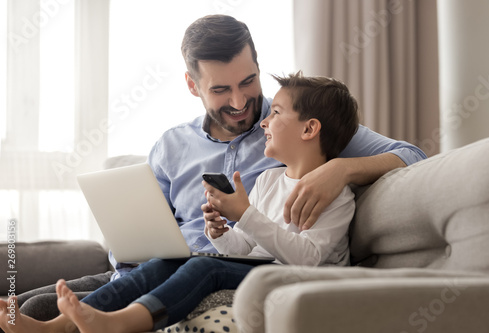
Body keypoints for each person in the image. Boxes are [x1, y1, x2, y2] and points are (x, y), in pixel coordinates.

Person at [8, 13, 426, 325]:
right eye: (221, 89)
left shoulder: (300, 125)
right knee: (29, 305)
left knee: (41, 308)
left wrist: (343, 171)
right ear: (193, 86)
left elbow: (413, 157)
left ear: (258, 69)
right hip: (153, 268)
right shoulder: (173, 146)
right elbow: (141, 235)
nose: (242, 102)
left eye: (248, 82)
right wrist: (214, 231)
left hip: (216, 272)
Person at [0, 70, 360, 333]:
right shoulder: (269, 178)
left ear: (310, 130)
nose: (265, 120)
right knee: (169, 261)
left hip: (298, 278)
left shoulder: (336, 194)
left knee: (208, 268)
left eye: (277, 113)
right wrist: (220, 233)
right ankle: (61, 326)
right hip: (260, 267)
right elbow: (248, 246)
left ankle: (124, 323)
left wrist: (245, 214)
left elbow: (308, 258)